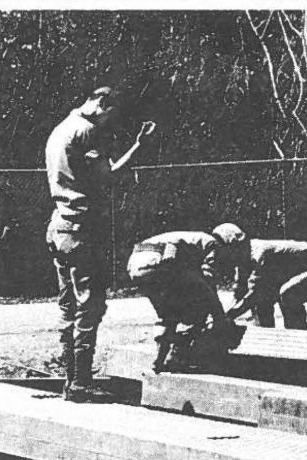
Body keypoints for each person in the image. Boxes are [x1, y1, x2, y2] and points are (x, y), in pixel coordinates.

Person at [45, 86, 155, 402]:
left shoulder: (61, 129)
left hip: (60, 226)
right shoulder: (88, 132)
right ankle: (80, 382)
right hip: (81, 229)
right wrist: (138, 148)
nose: (110, 122)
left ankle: (72, 380)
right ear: (102, 104)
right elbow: (108, 176)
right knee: (89, 306)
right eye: (111, 114)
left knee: (68, 307)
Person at [127, 225, 244, 372]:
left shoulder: (192, 237)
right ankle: (177, 356)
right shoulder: (213, 244)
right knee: (194, 310)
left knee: (167, 315)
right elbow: (207, 281)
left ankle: (159, 359)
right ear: (228, 242)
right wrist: (218, 315)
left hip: (136, 263)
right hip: (161, 261)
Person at [217, 224, 307, 329]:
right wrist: (223, 315)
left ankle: (297, 338)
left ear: (234, 245)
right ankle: (267, 342)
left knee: (287, 294)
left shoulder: (259, 254)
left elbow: (253, 294)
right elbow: (240, 293)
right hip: (303, 270)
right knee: (263, 302)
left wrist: (228, 316)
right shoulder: (244, 258)